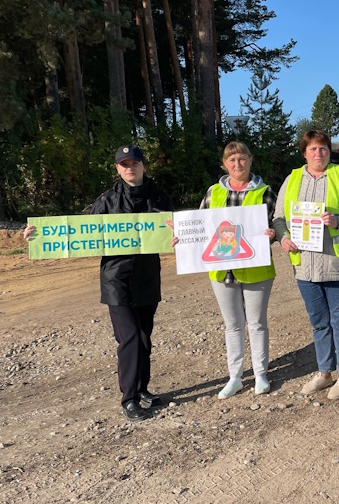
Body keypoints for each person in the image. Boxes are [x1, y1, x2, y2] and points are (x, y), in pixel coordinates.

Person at [23, 144, 174, 422]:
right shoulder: (106, 200)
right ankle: (129, 399)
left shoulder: (160, 198)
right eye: (124, 164)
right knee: (128, 337)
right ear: (117, 169)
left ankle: (142, 389)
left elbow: (180, 229)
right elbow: (78, 234)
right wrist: (38, 234)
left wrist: (178, 236)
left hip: (147, 278)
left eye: (135, 163)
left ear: (144, 166)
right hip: (116, 280)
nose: (130, 168)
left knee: (143, 336)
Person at [274, 130, 339, 400]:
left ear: (330, 151)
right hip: (305, 266)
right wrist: (283, 238)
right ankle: (324, 372)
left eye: (324, 148)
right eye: (313, 149)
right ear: (304, 152)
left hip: (338, 264)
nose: (319, 153)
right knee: (319, 323)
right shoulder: (292, 179)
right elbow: (279, 217)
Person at [197, 141, 279, 399]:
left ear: (250, 160)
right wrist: (182, 236)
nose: (237, 164)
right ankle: (235, 377)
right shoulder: (213, 192)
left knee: (256, 324)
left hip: (256, 269)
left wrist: (274, 234)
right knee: (232, 325)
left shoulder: (265, 192)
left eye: (241, 159)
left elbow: (279, 223)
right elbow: (200, 224)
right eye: (231, 160)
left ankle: (260, 375)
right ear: (224, 164)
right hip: (222, 270)